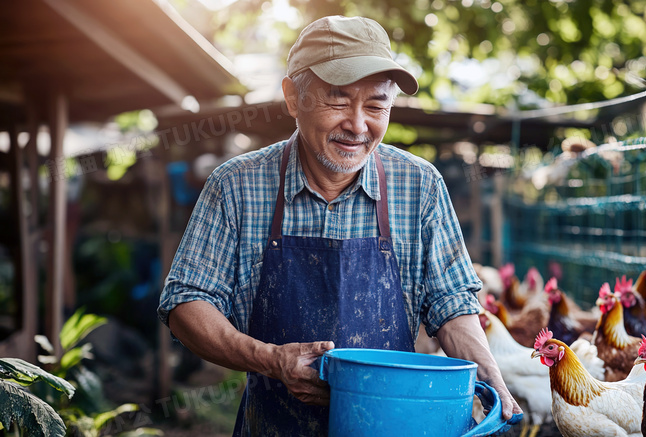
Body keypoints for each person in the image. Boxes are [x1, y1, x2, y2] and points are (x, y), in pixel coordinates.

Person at [158, 15, 522, 436]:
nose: (358, 124)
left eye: (376, 105)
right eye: (338, 100)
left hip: (390, 427)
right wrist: (272, 360)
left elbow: (453, 305)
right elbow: (186, 302)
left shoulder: (419, 186)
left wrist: (492, 380)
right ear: (293, 97)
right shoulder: (236, 186)